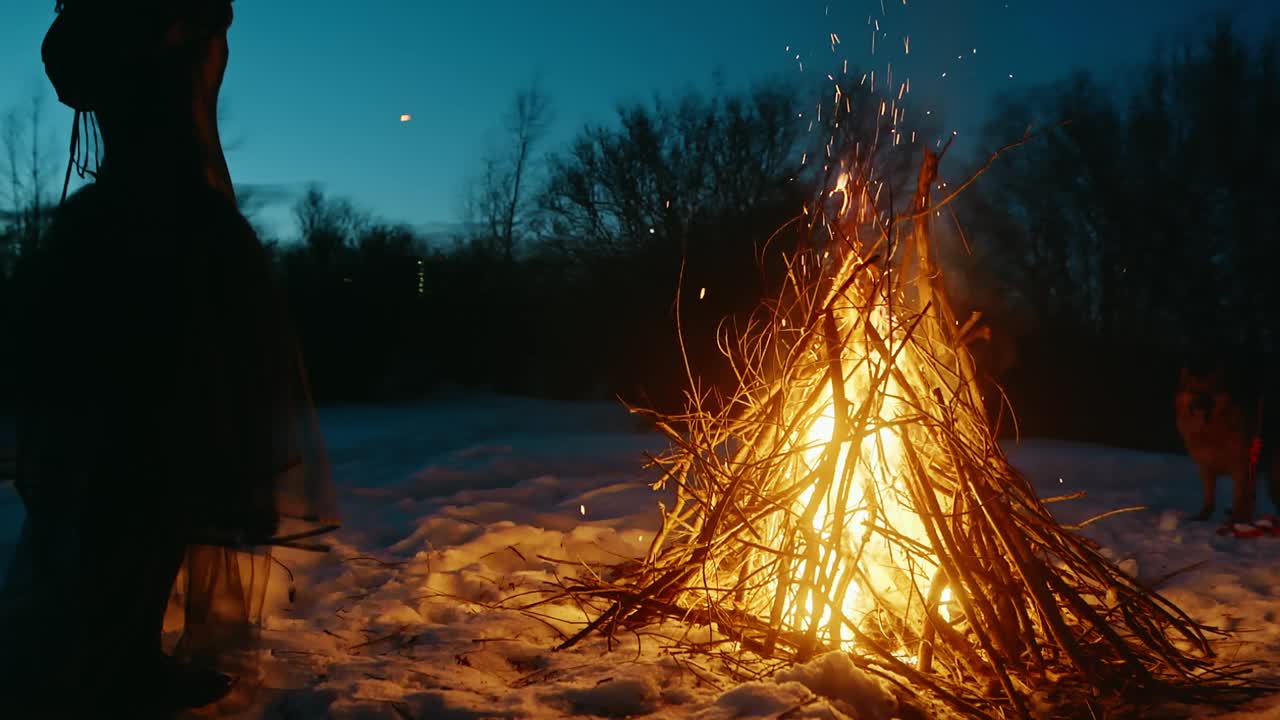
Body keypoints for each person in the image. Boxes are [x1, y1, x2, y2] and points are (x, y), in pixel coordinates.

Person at [0, 1, 339, 715]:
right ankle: (104, 663)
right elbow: (91, 60)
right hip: (157, 237)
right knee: (134, 462)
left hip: (141, 231)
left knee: (158, 465)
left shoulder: (127, 32)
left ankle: (120, 654)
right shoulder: (127, 27)